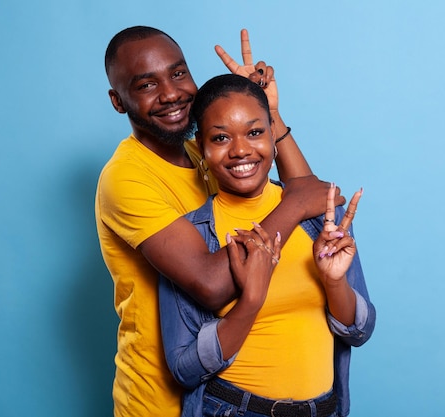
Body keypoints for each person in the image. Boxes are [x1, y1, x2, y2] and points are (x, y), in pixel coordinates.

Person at [96, 26, 343, 417]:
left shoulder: (204, 150)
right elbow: (211, 285)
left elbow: (309, 192)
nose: (171, 93)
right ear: (117, 101)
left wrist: (262, 110)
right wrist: (294, 206)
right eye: (146, 84)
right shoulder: (126, 177)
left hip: (224, 392)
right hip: (161, 401)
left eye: (178, 73)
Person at [158, 74, 376, 417]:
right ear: (201, 147)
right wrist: (251, 301)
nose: (241, 149)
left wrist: (334, 283)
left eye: (255, 132)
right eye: (220, 138)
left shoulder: (317, 216)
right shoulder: (194, 236)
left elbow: (360, 331)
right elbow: (184, 369)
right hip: (233, 409)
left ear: (274, 137)